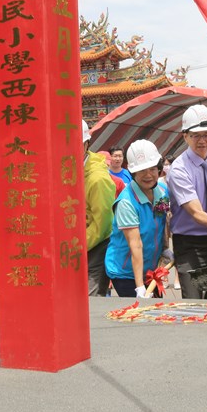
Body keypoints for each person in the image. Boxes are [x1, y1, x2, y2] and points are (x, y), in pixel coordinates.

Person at [167, 104, 207, 300]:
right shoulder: (179, 169)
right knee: (193, 301)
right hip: (189, 243)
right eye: (196, 135)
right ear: (185, 136)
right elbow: (196, 213)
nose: (202, 140)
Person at [104, 140, 170, 297]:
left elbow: (163, 223)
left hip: (151, 269)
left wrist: (166, 249)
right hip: (126, 272)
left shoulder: (162, 191)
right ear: (133, 172)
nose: (148, 175)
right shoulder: (126, 202)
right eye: (142, 170)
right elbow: (136, 245)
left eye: (152, 169)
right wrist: (139, 287)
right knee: (138, 315)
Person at [83, 120, 116, 296]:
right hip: (74, 247)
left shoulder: (98, 179)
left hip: (95, 247)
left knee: (91, 300)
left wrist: (79, 245)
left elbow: (102, 225)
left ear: (86, 144)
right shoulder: (67, 169)